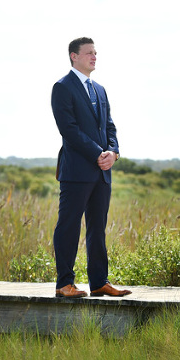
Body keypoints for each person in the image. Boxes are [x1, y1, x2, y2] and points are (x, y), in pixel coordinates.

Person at [50, 38, 131, 298]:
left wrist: (114, 153)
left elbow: (109, 126)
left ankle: (99, 283)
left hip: (101, 172)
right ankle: (65, 284)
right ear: (74, 56)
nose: (94, 57)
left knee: (98, 227)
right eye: (88, 53)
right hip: (76, 171)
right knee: (69, 226)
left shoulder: (100, 89)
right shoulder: (62, 87)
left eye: (95, 53)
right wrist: (98, 153)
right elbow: (69, 130)